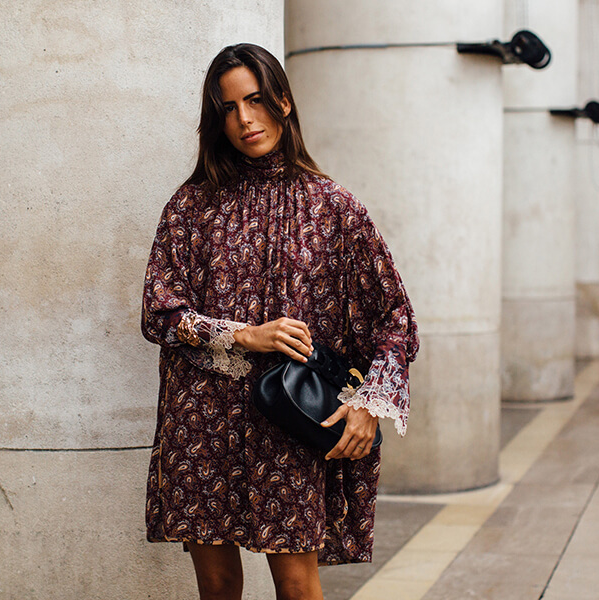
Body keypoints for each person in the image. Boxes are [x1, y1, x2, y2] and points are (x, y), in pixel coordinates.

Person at [141, 43, 419, 600]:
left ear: (284, 104)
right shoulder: (191, 207)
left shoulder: (334, 207)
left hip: (288, 419)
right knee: (217, 586)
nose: (244, 119)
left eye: (256, 100)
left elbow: (396, 316)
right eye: (227, 108)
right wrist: (242, 334)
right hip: (202, 420)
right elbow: (159, 311)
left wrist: (371, 402)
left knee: (296, 584)